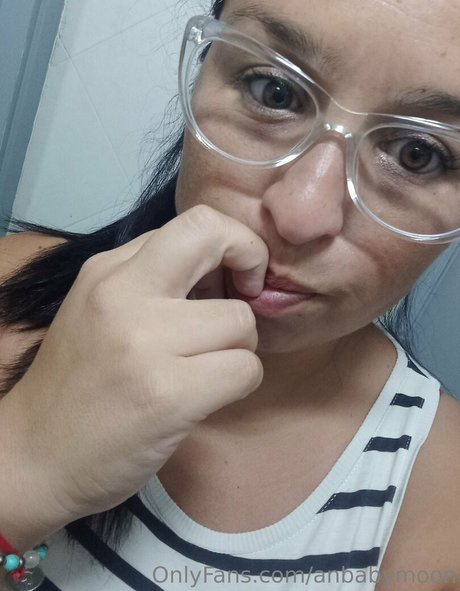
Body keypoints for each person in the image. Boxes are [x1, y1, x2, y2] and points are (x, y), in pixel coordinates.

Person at [1, 0, 460, 589]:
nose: (301, 214)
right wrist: (22, 470)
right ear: (202, 72)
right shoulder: (12, 289)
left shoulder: (439, 502)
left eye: (418, 155)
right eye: (274, 91)